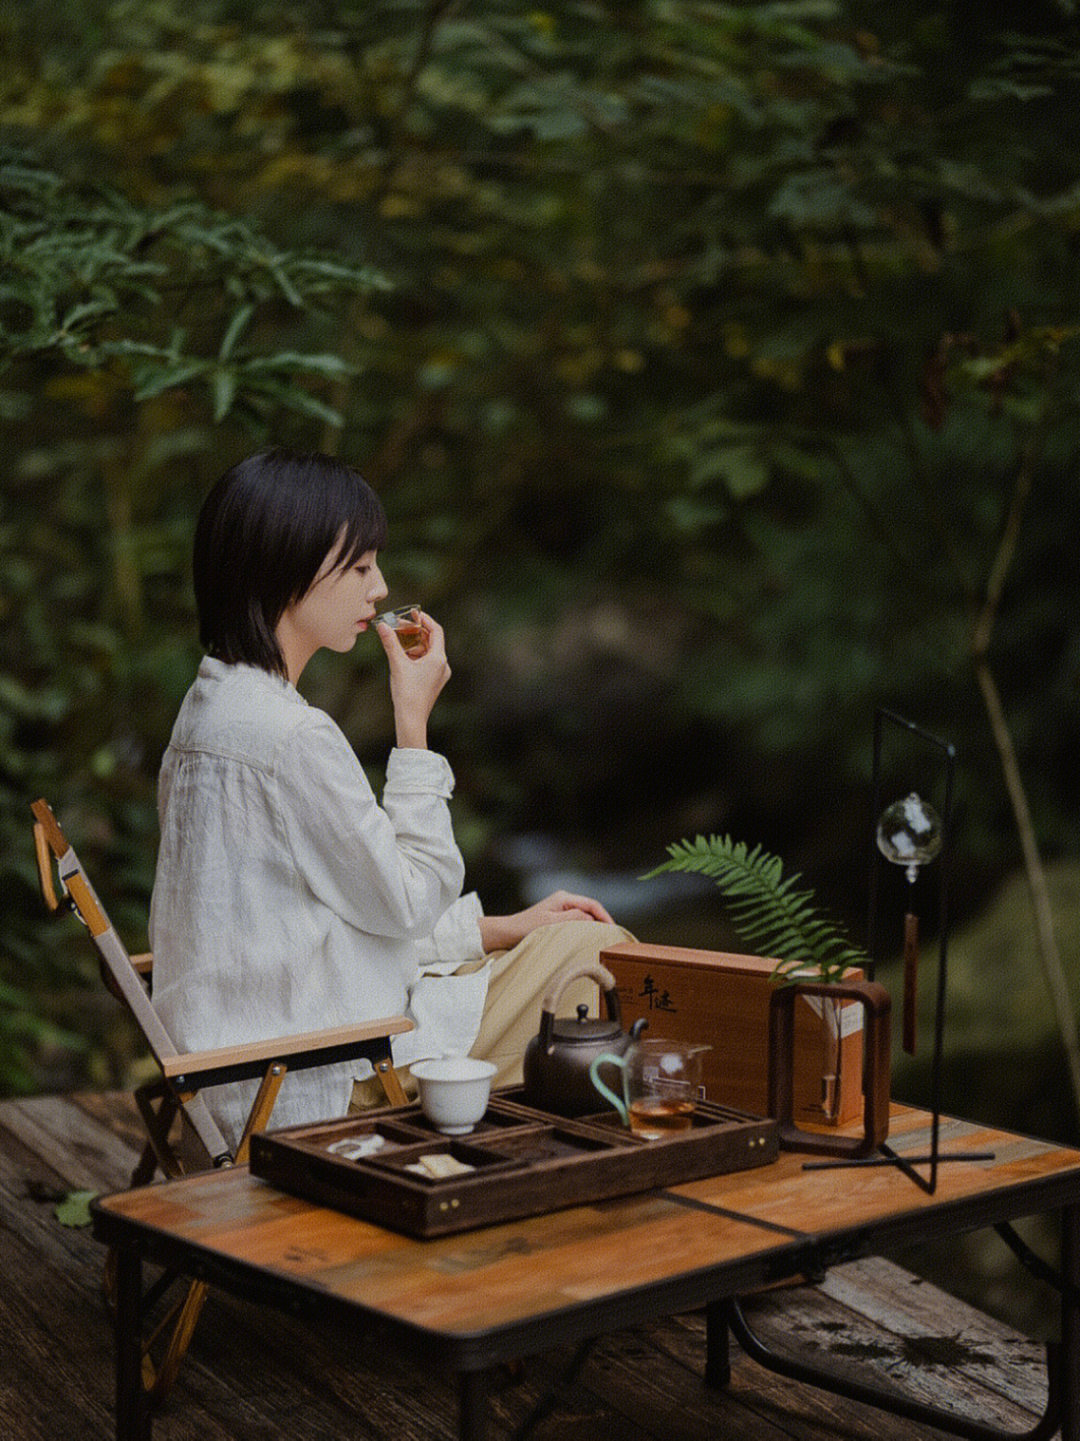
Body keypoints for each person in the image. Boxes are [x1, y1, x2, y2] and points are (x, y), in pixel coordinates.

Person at [149, 448, 632, 1149]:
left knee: (564, 939)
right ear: (288, 567)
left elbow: (337, 916)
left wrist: (497, 928)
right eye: (359, 566)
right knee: (602, 956)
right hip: (312, 1082)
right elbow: (411, 901)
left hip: (238, 1070)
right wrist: (413, 722)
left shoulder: (208, 711)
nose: (378, 589)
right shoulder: (290, 736)